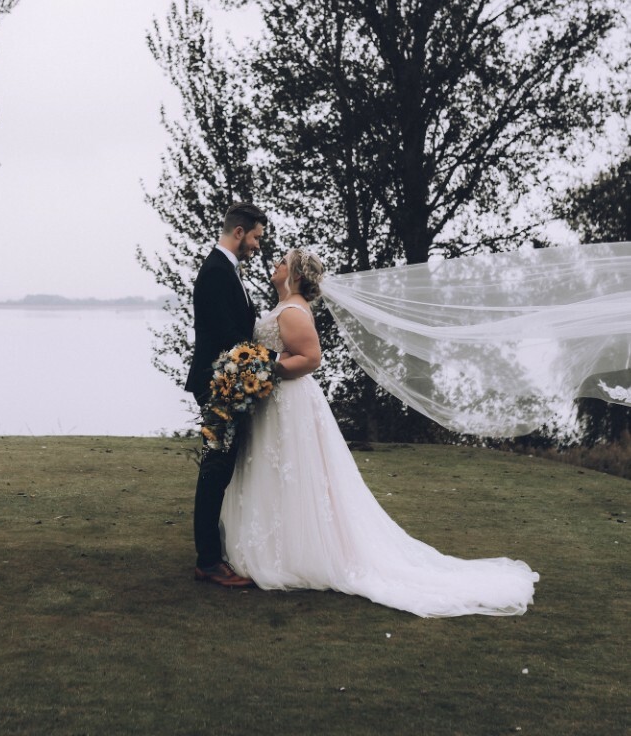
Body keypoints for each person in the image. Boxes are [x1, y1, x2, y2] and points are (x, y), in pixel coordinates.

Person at [221, 248, 539, 617]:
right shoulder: (286, 306)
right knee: (280, 472)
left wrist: (266, 371)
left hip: (288, 400)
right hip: (280, 401)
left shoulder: (292, 311)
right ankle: (280, 543)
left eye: (281, 262)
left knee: (291, 470)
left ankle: (294, 551)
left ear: (292, 274)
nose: (274, 266)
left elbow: (310, 359)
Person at [186, 202, 268, 588]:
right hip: (220, 386)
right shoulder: (217, 273)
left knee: (220, 469)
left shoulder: (226, 271)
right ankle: (208, 561)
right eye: (255, 237)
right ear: (239, 232)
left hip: (229, 384)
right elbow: (228, 339)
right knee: (215, 470)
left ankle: (214, 553)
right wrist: (263, 364)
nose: (257, 246)